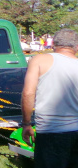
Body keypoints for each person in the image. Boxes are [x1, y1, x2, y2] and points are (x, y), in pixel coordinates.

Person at [22, 28, 78, 168]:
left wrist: (26, 123)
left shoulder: (39, 60)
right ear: (76, 47)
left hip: (50, 131)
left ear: (53, 44)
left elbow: (28, 93)